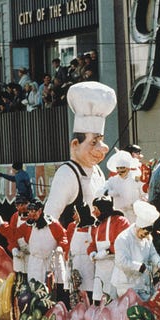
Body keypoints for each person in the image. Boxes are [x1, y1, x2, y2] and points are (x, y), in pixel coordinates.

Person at [43, 81, 116, 227]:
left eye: (101, 140)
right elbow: (49, 217)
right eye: (94, 142)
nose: (103, 148)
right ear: (75, 145)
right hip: (74, 244)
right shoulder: (67, 173)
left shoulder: (97, 171)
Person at [111, 200, 160, 300]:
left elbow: (152, 253)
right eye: (144, 233)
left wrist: (159, 263)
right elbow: (121, 262)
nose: (146, 236)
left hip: (141, 283)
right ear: (139, 227)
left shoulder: (147, 238)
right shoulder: (123, 238)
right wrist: (139, 267)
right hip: (125, 284)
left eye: (148, 234)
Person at [87, 196, 130, 303]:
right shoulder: (97, 225)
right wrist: (92, 252)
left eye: (96, 209)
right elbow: (92, 244)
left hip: (116, 269)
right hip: (100, 271)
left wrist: (107, 251)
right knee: (98, 302)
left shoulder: (120, 221)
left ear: (103, 209)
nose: (93, 212)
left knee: (114, 301)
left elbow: (123, 243)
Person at [26, 199, 69, 293]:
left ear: (40, 211)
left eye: (33, 211)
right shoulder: (28, 225)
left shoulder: (53, 224)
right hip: (35, 263)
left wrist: (61, 247)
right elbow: (14, 234)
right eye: (29, 211)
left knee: (53, 290)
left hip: (51, 261)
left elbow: (63, 236)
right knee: (35, 290)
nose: (31, 214)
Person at [0, 194, 32, 282]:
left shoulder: (34, 216)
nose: (20, 207)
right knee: (20, 276)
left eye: (22, 204)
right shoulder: (15, 217)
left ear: (28, 204)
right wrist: (14, 248)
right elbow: (12, 235)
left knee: (33, 276)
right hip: (19, 251)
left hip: (33, 251)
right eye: (17, 205)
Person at [66, 202, 96, 304]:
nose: (73, 216)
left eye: (76, 213)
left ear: (82, 213)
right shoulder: (73, 227)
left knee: (89, 292)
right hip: (76, 264)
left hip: (88, 265)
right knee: (77, 293)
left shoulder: (93, 228)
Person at [103, 150, 145, 221]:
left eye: (122, 168)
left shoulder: (136, 178)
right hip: (120, 215)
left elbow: (144, 192)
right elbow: (99, 191)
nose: (120, 170)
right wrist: (109, 192)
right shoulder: (113, 180)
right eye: (118, 168)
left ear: (128, 168)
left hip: (135, 213)